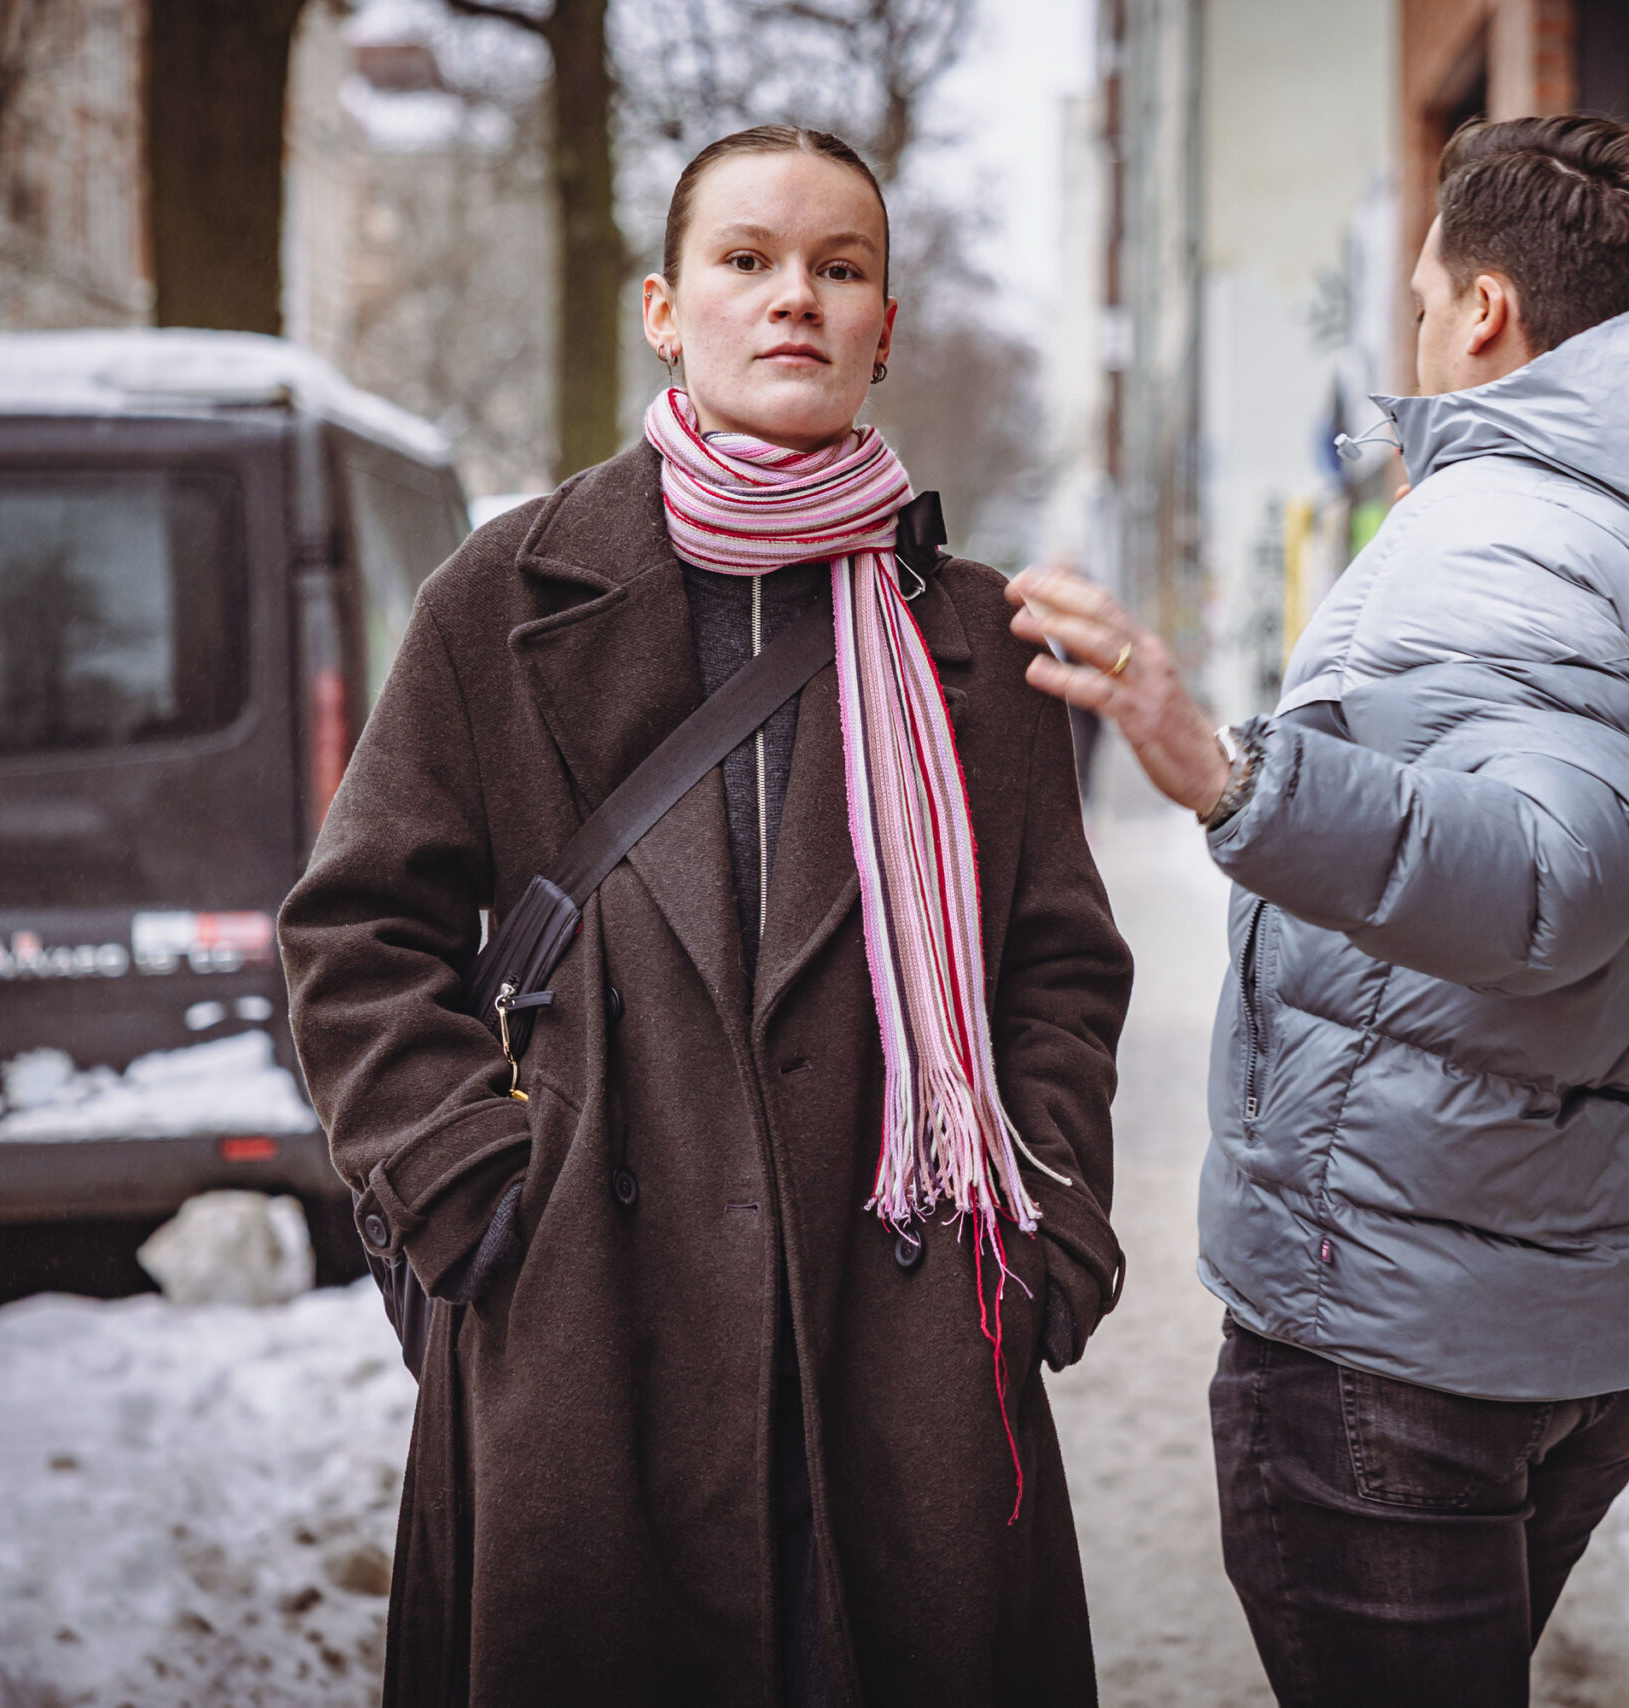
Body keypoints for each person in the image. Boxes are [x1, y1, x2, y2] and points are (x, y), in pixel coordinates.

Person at [1010, 113, 1629, 1705]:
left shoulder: (1507, 522)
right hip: (1598, 1300)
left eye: (1421, 300)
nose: (1416, 333)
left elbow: (1558, 878)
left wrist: (1223, 771)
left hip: (1405, 1315)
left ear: (1484, 310)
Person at [280, 125, 1132, 1708]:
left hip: (913, 1352)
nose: (793, 297)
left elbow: (1059, 970)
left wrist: (1046, 1241)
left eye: (840, 267)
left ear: (888, 325)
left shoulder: (976, 639)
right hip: (588, 1343)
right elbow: (358, 941)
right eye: (748, 261)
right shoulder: (504, 594)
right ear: (668, 309)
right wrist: (473, 1196)